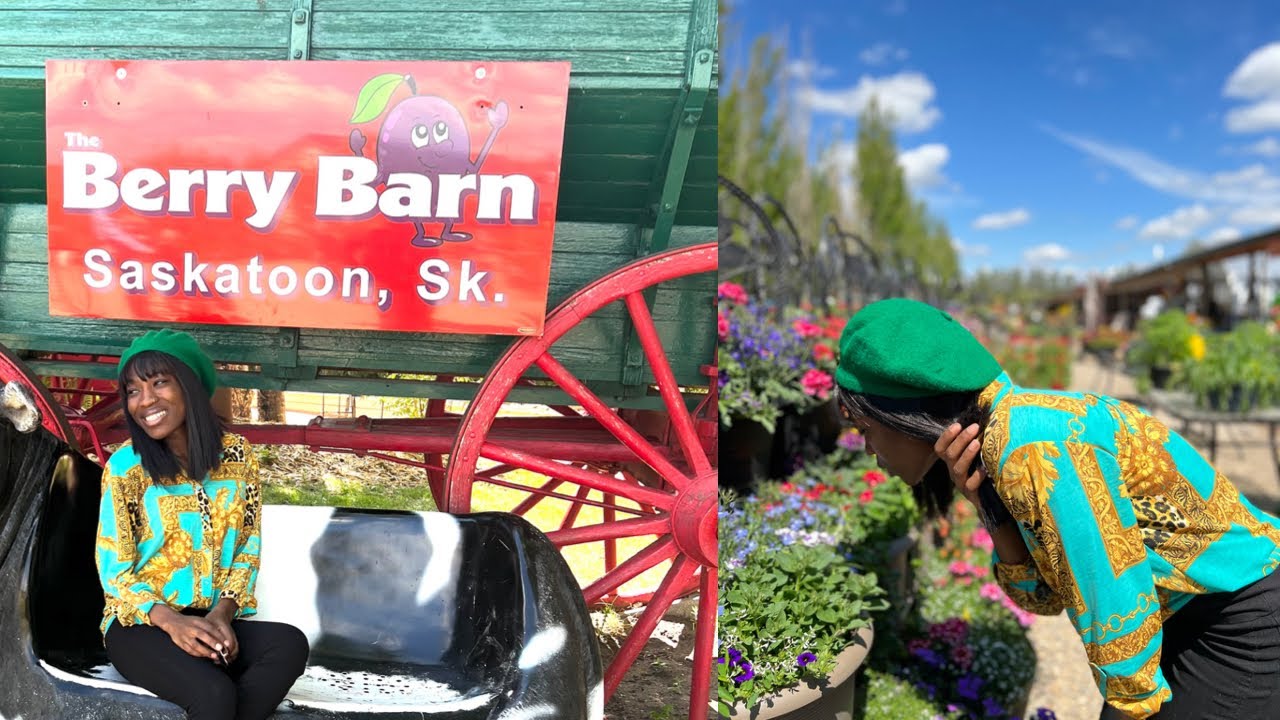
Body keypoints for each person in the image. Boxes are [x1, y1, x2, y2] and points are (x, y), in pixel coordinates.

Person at [834, 298, 1280, 720]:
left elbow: (1121, 624)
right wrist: (987, 507)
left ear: (904, 411)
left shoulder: (1031, 445)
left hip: (1246, 620)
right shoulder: (1002, 435)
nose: (868, 449)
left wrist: (1127, 701)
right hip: (1196, 616)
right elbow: (1044, 597)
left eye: (865, 428)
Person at [95, 330, 309, 720]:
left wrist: (221, 616)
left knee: (289, 645)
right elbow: (116, 572)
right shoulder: (125, 468)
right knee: (214, 693)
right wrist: (174, 623)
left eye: (159, 382)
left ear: (190, 385)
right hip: (142, 624)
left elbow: (247, 546)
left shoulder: (238, 456)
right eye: (133, 390)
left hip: (209, 619)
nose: (145, 401)